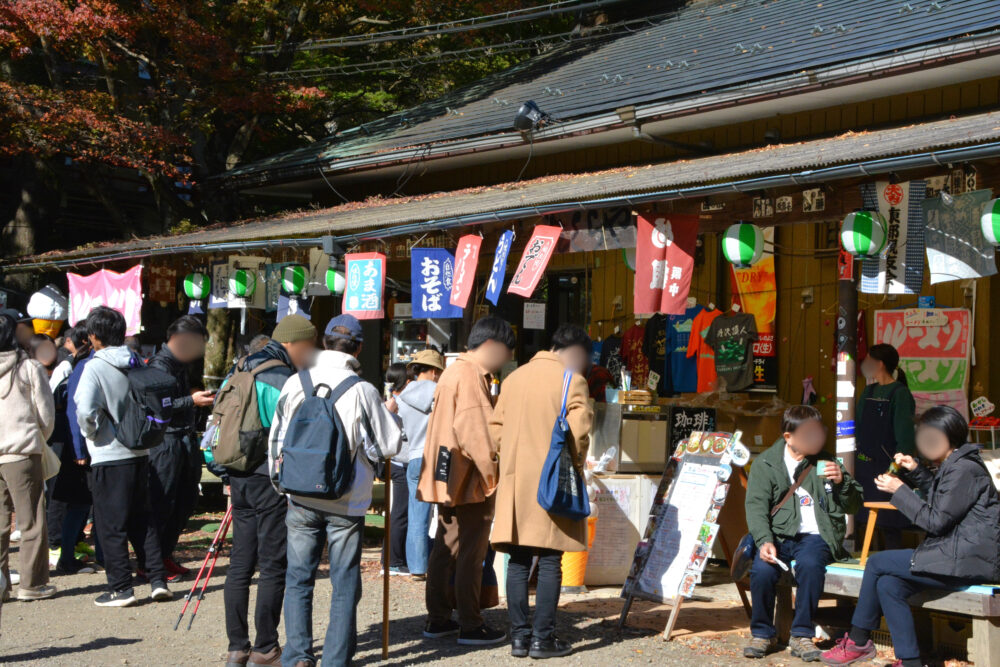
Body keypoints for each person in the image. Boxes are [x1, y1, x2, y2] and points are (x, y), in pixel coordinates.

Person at [270, 314, 403, 667]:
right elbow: (387, 446)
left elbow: (277, 439)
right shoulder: (362, 390)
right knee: (344, 583)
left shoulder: (295, 382)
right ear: (358, 348)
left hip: (299, 495)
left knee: (299, 578)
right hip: (346, 500)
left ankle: (298, 656)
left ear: (324, 342)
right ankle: (335, 660)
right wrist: (391, 415)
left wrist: (281, 484)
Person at [820, 406, 1000, 667]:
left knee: (876, 563)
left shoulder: (964, 469)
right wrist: (915, 469)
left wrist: (900, 489)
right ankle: (910, 661)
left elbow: (935, 521)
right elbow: (943, 501)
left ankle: (858, 641)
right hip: (958, 554)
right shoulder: (957, 463)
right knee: (888, 586)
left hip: (969, 560)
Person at [490, 324, 594, 659]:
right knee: (551, 559)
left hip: (516, 481)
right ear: (574, 352)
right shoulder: (571, 381)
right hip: (552, 481)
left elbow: (495, 431)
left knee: (518, 559)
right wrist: (574, 466)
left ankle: (519, 639)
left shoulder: (515, 377)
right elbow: (579, 436)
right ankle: (542, 639)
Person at [223, 314, 317, 667]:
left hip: (237, 474)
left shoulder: (240, 369)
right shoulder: (282, 377)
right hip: (268, 477)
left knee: (240, 564)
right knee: (273, 564)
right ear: (295, 344)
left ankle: (236, 648)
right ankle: (265, 647)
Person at [418, 315, 515, 647]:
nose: (504, 360)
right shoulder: (470, 375)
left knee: (445, 549)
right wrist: (494, 479)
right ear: (490, 346)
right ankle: (471, 624)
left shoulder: (453, 372)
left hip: (448, 475)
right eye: (504, 352)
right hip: (469, 478)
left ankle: (438, 618)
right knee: (472, 554)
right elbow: (478, 435)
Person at [743, 405, 863, 662]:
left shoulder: (827, 462)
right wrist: (764, 540)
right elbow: (755, 508)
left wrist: (842, 482)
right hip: (778, 535)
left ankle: (801, 634)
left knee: (810, 565)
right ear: (788, 437)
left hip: (816, 536)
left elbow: (853, 505)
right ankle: (762, 633)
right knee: (762, 571)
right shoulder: (765, 464)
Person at [75, 306, 171, 607]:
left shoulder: (94, 367)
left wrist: (91, 434)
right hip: (140, 449)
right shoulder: (135, 360)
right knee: (143, 519)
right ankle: (157, 580)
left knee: (110, 523)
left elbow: (85, 410)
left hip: (109, 452)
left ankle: (121, 588)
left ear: (92, 336)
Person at [146, 315, 215, 580]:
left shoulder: (180, 365)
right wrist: (191, 400)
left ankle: (165, 555)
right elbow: (157, 407)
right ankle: (151, 563)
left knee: (185, 500)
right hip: (165, 441)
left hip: (184, 438)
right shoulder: (160, 365)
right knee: (163, 501)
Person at [0, 313, 57, 600]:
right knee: (31, 521)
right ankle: (31, 585)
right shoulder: (29, 367)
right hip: (22, 451)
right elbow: (46, 415)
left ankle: (1, 586)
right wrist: (38, 440)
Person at [855, 343, 915, 550]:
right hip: (864, 468)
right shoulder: (868, 390)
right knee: (863, 521)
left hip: (887, 470)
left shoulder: (900, 394)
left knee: (889, 524)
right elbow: (857, 427)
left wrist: (893, 472)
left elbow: (905, 440)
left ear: (879, 364)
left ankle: (891, 572)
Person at [48, 326, 96, 575]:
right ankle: (61, 550)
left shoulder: (84, 364)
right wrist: (78, 450)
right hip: (71, 445)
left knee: (80, 501)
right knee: (71, 500)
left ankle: (68, 549)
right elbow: (73, 411)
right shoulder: (75, 368)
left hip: (76, 445)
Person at [397, 349, 445, 580]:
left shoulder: (403, 395)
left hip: (415, 456)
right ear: (434, 371)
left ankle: (417, 567)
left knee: (417, 514)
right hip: (438, 456)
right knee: (446, 513)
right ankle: (443, 564)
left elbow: (403, 432)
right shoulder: (439, 392)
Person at [383, 361, 410, 576]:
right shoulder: (401, 403)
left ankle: (390, 558)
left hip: (393, 460)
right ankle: (394, 560)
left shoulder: (387, 400)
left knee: (398, 511)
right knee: (401, 512)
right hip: (401, 461)